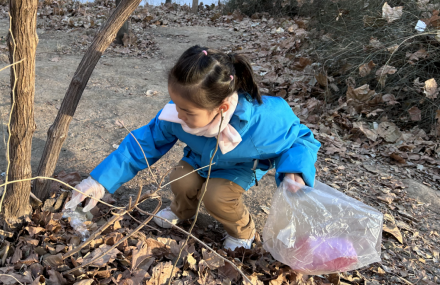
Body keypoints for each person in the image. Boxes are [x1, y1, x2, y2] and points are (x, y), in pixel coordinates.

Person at [64, 46, 321, 251]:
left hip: (238, 167)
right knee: (181, 180)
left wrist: (294, 171)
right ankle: (182, 211)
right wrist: (99, 181)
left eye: (187, 111)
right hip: (198, 159)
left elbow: (300, 140)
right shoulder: (179, 115)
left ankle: (242, 231)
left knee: (216, 196)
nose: (178, 114)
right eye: (175, 104)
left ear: (220, 108)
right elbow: (143, 145)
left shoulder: (265, 120)